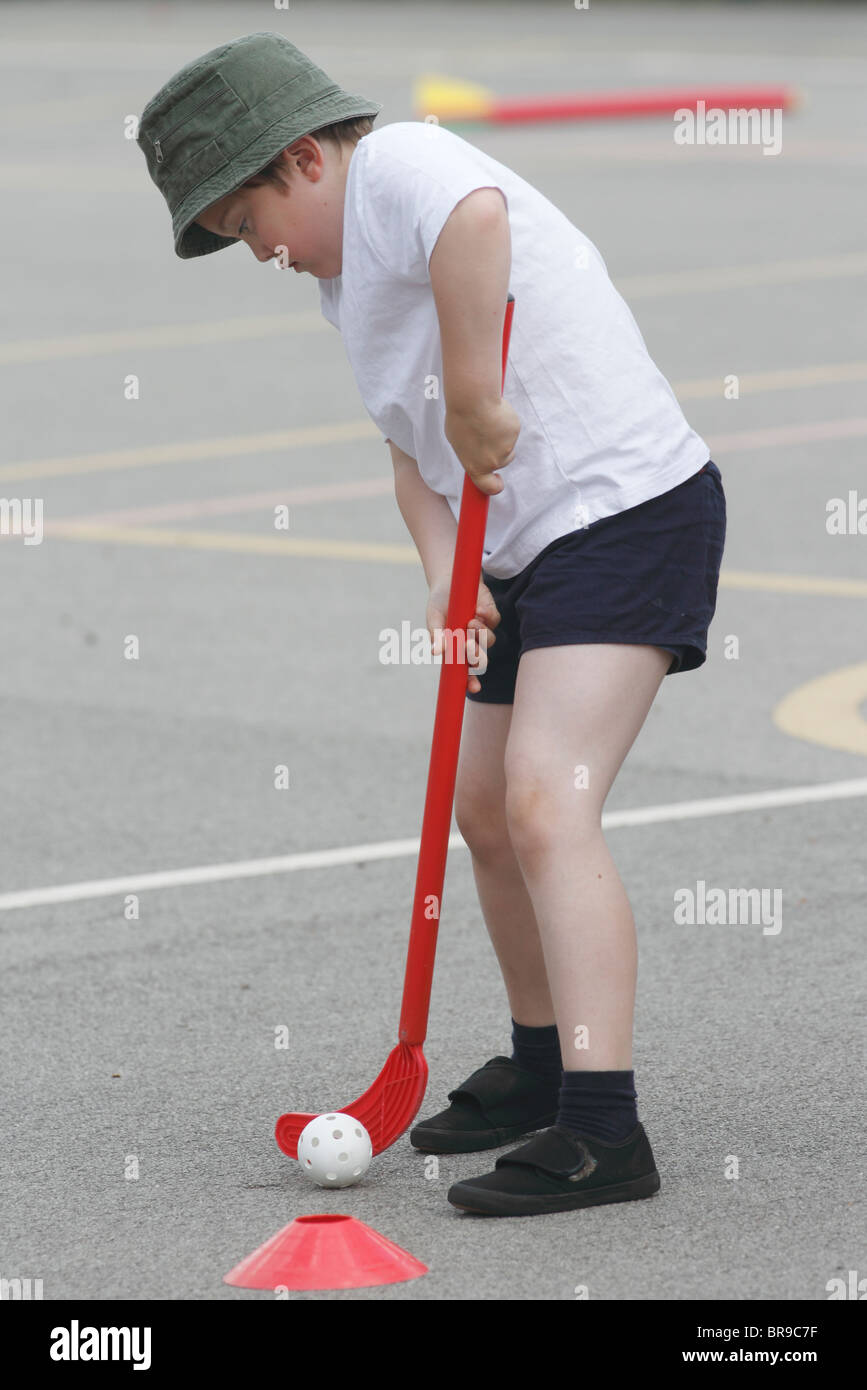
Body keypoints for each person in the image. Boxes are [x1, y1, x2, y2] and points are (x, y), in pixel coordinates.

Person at [138, 31, 727, 1218]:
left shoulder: (403, 162)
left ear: (303, 157)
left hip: (626, 512)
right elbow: (412, 459)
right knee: (483, 810)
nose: (256, 250)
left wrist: (474, 388)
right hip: (513, 551)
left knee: (546, 801)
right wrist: (442, 571)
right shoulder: (342, 284)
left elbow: (475, 222)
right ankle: (541, 1059)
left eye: (246, 219)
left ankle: (606, 1129)